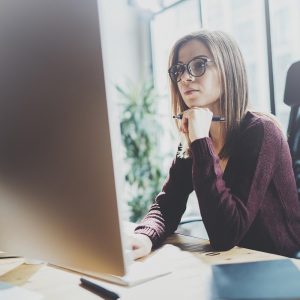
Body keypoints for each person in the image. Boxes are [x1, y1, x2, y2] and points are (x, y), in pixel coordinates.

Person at [130, 30, 300, 259]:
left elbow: (226, 235)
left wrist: (201, 141)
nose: (185, 78)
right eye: (178, 69)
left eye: (199, 65)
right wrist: (144, 237)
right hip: (235, 261)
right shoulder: (198, 133)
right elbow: (167, 203)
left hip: (278, 263)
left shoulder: (261, 131)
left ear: (228, 69)